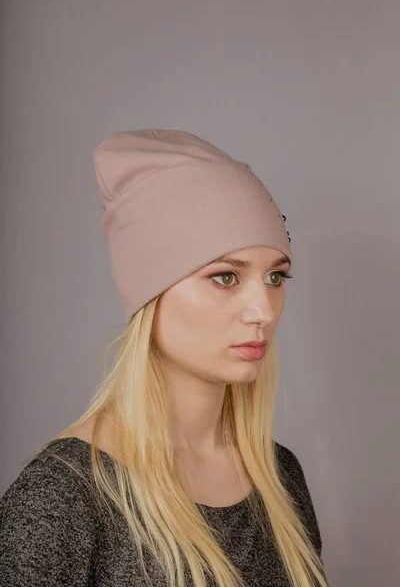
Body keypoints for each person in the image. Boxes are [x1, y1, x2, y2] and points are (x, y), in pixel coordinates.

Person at [0, 129, 329, 587]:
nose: (263, 311)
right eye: (225, 277)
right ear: (149, 293)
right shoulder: (64, 495)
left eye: (276, 276)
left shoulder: (277, 476)